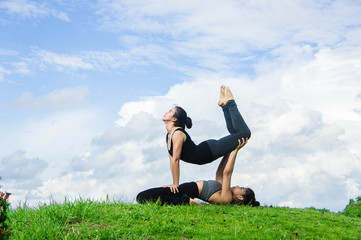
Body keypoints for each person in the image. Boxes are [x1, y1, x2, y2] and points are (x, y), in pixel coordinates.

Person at [163, 85, 251, 193]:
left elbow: (176, 160)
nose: (166, 112)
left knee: (244, 134)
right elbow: (172, 161)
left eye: (170, 111)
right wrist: (174, 183)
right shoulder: (169, 136)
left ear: (175, 119)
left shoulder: (178, 134)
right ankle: (225, 105)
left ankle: (230, 102)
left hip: (209, 151)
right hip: (206, 150)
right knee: (236, 134)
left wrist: (175, 184)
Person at [137, 138, 260, 206]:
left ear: (239, 197)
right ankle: (184, 201)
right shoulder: (223, 191)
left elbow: (227, 173)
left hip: (190, 190)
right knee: (151, 197)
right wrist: (227, 152)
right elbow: (220, 173)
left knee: (143, 197)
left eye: (241, 188)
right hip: (188, 189)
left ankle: (185, 202)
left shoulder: (226, 198)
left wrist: (236, 151)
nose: (238, 186)